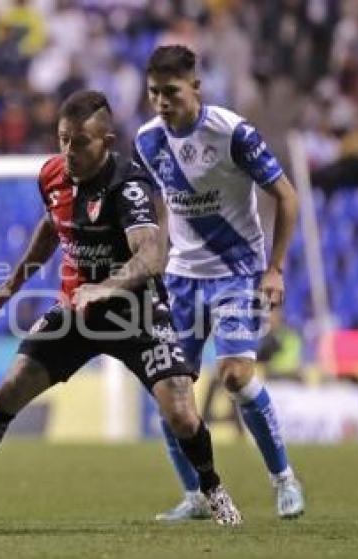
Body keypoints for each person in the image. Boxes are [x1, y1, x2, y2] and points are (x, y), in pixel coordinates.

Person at [0, 90, 242, 526]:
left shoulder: (128, 187)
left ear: (107, 142)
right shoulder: (52, 176)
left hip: (137, 315)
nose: (69, 151)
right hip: (76, 314)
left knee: (182, 415)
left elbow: (151, 258)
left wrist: (105, 288)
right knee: (9, 389)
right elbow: (51, 227)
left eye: (80, 142)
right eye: (63, 140)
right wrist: (11, 285)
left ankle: (213, 491)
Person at [132, 45, 304, 521]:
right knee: (169, 392)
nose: (162, 102)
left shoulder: (232, 133)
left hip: (236, 272)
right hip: (181, 279)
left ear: (196, 87)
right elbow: (160, 207)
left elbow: (286, 197)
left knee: (235, 376)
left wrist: (275, 268)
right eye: (153, 93)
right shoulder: (146, 141)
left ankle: (284, 479)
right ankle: (197, 498)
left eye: (171, 92)